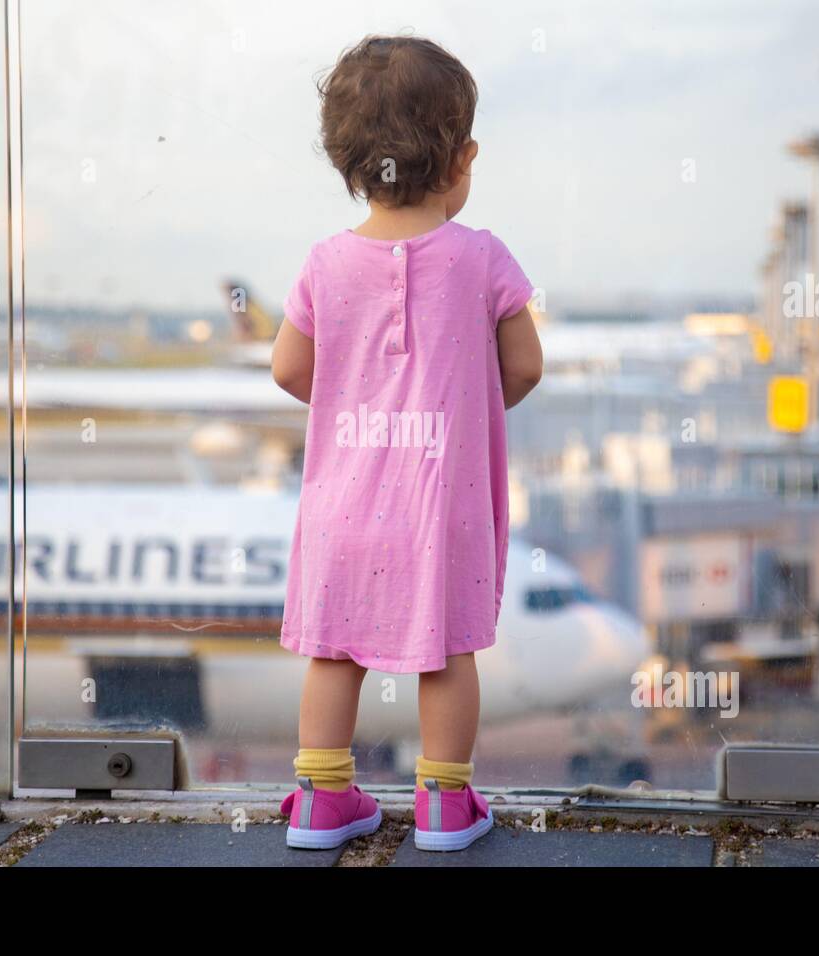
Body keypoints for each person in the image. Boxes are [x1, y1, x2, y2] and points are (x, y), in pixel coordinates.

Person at [271, 34, 542, 851]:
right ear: (461, 158)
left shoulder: (325, 262)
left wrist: (357, 405)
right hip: (441, 506)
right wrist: (460, 407)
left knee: (333, 652)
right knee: (447, 651)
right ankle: (444, 807)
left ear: (345, 161)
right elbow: (524, 365)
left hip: (342, 508)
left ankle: (322, 800)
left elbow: (289, 369)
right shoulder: (482, 257)